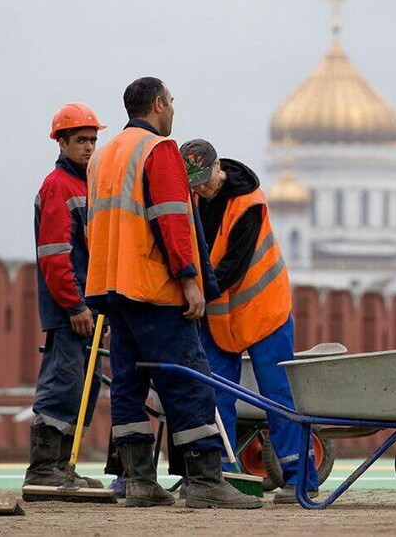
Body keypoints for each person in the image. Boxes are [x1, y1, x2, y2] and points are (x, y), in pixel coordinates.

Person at [85, 77, 260, 510]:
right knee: (187, 379)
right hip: (152, 288)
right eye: (172, 102)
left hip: (110, 287)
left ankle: (140, 481)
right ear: (159, 104)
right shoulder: (158, 150)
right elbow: (172, 219)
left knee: (128, 384)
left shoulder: (103, 156)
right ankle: (204, 480)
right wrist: (189, 279)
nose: (174, 110)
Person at [180, 139, 319, 504]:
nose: (200, 188)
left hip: (264, 309)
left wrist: (193, 293)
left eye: (204, 180)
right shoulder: (193, 198)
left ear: (217, 168)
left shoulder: (249, 203)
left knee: (277, 394)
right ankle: (222, 478)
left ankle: (300, 480)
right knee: (214, 394)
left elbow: (232, 266)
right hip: (221, 314)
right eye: (192, 183)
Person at [25, 102, 107, 492]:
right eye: (81, 140)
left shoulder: (86, 185)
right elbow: (55, 255)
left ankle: (63, 469)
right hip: (70, 310)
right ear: (62, 142)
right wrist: (74, 305)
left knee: (84, 387)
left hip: (88, 308)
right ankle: (44, 469)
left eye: (93, 140)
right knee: (63, 383)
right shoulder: (58, 186)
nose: (89, 147)